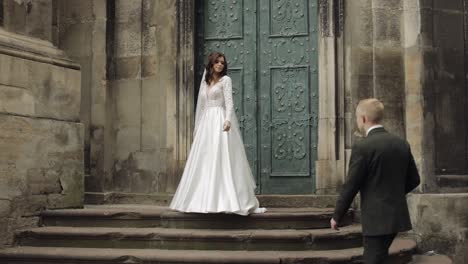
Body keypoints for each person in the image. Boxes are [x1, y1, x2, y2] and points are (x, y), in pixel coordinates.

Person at [170, 51, 266, 215]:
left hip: (220, 121)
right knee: (205, 159)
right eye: (217, 62)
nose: (220, 64)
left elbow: (229, 102)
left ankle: (228, 200)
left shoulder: (225, 81)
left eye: (222, 62)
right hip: (206, 123)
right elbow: (201, 106)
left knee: (223, 158)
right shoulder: (205, 82)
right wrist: (198, 127)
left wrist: (227, 119)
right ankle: (202, 200)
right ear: (212, 64)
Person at [330, 98, 420, 264]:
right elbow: (415, 179)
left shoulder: (363, 147)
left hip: (376, 219)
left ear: (363, 118)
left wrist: (337, 215)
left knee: (373, 259)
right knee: (380, 257)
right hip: (395, 217)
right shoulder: (401, 144)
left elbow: (351, 185)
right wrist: (393, 194)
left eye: (357, 118)